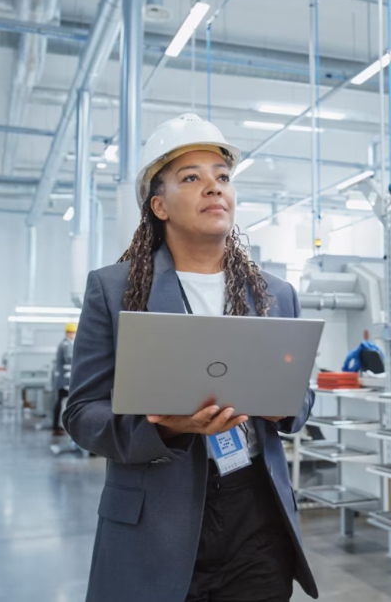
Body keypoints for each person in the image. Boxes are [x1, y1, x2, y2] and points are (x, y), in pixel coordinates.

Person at [63, 113, 317, 602]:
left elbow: (301, 401)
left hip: (256, 517)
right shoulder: (114, 291)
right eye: (191, 178)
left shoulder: (275, 294)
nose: (214, 187)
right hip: (156, 520)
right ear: (158, 205)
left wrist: (280, 405)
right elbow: (81, 414)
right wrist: (166, 429)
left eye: (222, 177)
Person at [51, 322, 76, 437]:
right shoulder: (65, 344)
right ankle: (56, 427)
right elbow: (70, 358)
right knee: (61, 402)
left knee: (62, 402)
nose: (73, 335)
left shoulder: (67, 343)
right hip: (63, 380)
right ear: (67, 333)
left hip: (65, 379)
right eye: (71, 333)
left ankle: (58, 426)